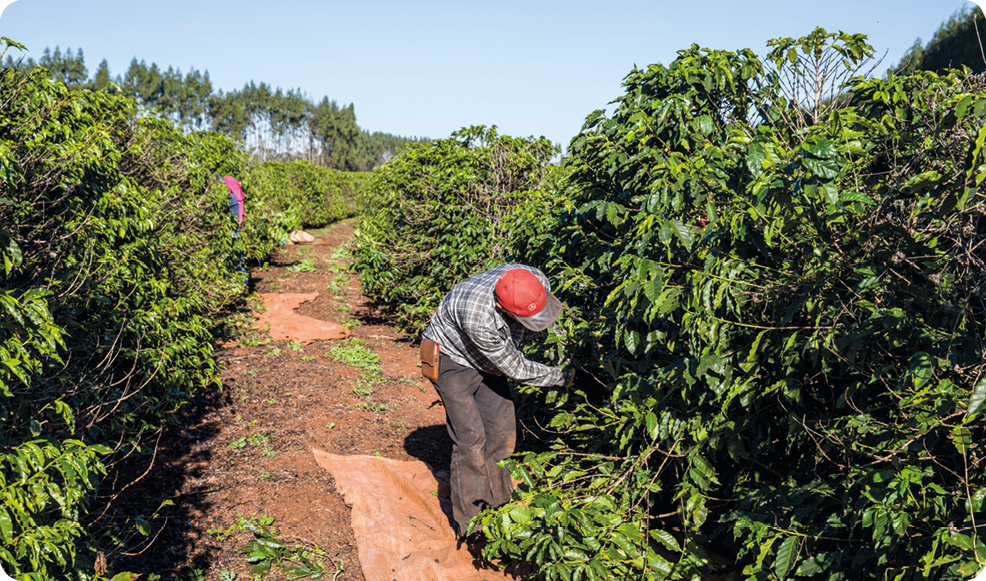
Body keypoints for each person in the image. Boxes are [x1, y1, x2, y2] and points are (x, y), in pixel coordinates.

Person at [420, 264, 573, 539]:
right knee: (471, 441)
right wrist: (562, 377)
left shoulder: (534, 279)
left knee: (501, 435)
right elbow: (516, 368)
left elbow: (546, 322)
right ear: (504, 309)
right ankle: (474, 525)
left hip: (490, 362)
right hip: (451, 359)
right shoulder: (480, 317)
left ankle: (502, 509)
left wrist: (560, 353)